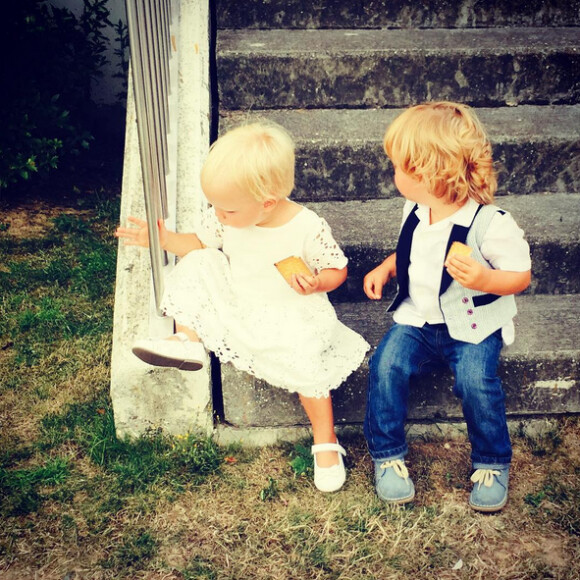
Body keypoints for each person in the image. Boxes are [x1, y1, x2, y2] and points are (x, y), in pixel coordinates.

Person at [116, 121, 370, 493]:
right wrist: (163, 239)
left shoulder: (306, 227)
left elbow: (337, 270)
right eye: (215, 207)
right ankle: (185, 339)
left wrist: (318, 282)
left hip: (290, 314)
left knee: (309, 368)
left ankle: (325, 441)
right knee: (201, 263)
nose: (219, 215)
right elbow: (200, 243)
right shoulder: (227, 216)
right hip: (239, 303)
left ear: (266, 201)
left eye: (228, 210)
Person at [363, 102, 531, 512]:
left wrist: (485, 279)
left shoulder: (492, 224)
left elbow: (520, 275)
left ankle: (492, 461)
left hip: (472, 323)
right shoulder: (416, 210)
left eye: (399, 168)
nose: (394, 175)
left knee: (476, 381)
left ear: (431, 174)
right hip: (419, 319)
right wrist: (388, 267)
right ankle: (387, 454)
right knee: (386, 364)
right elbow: (413, 252)